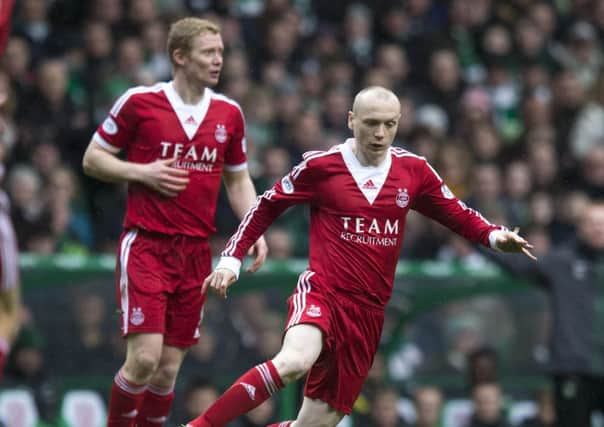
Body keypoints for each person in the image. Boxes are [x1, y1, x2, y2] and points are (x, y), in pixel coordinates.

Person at [185, 86, 535, 427]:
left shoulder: (413, 171)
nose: (381, 134)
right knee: (294, 361)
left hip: (367, 313)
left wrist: (493, 235)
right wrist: (231, 258)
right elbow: (266, 206)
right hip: (323, 292)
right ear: (351, 120)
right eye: (371, 123)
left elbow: (455, 213)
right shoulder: (322, 167)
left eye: (390, 124)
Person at [81, 17, 267, 427]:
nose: (218, 60)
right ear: (179, 57)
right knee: (144, 359)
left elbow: (237, 178)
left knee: (166, 370)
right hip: (146, 244)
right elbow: (92, 159)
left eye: (220, 52)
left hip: (195, 253)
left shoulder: (229, 113)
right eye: (208, 52)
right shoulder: (139, 102)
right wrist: (142, 172)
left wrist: (254, 227)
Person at [480, 200, 604, 427]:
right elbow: (517, 264)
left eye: (602, 224)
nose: (598, 228)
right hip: (572, 368)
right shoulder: (562, 261)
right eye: (592, 223)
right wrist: (480, 237)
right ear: (580, 227)